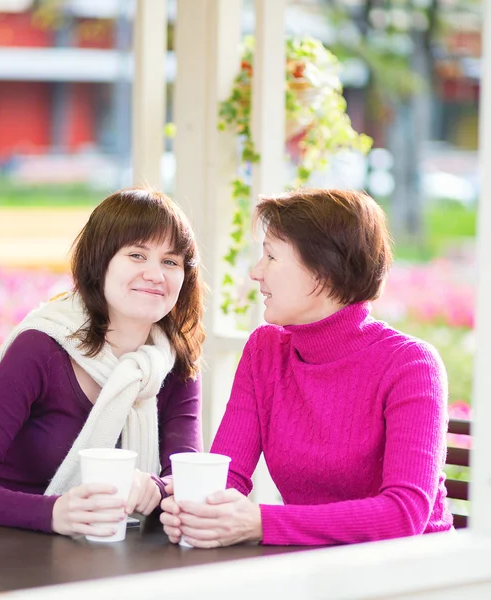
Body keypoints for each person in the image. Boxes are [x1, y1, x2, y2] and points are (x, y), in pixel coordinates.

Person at [161, 188, 452, 547]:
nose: (256, 272)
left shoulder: (411, 365)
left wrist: (262, 523)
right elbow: (229, 473)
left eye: (271, 257)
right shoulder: (265, 351)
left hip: (413, 575)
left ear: (324, 271)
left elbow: (403, 514)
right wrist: (199, 512)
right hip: (312, 568)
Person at [0, 188, 205, 538]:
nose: (156, 275)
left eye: (170, 261)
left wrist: (156, 487)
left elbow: (183, 478)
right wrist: (55, 513)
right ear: (99, 262)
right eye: (137, 255)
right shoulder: (40, 348)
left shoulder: (172, 363)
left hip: (100, 559)